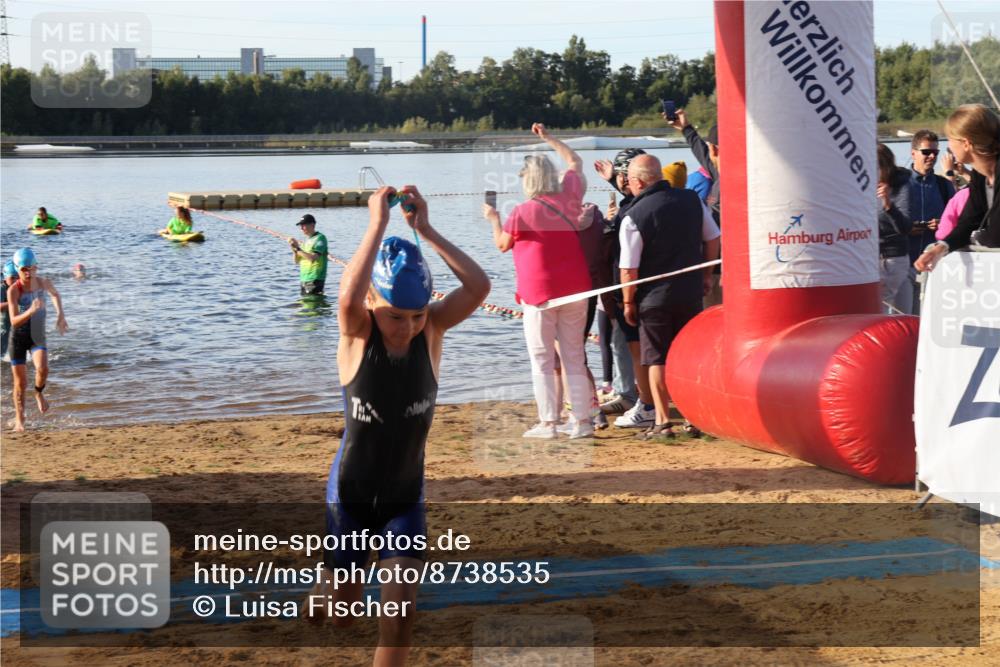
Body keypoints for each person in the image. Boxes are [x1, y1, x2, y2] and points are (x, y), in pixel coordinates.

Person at [304, 186, 489, 667]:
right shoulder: (357, 332)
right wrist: (376, 225)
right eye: (394, 316)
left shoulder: (432, 330)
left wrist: (424, 229)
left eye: (416, 314)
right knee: (340, 614)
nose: (406, 327)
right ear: (372, 303)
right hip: (351, 496)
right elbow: (347, 294)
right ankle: (326, 583)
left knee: (400, 614)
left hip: (405, 498)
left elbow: (479, 287)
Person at [483, 122, 594, 440]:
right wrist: (549, 139)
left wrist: (493, 219)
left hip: (539, 294)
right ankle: (582, 423)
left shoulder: (522, 211)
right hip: (576, 288)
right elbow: (575, 162)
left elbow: (502, 244)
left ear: (529, 181)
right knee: (574, 354)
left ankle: (549, 423)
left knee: (543, 357)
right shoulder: (571, 194)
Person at [619, 155, 719, 438]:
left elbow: (628, 267)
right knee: (687, 355)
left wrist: (628, 302)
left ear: (637, 182)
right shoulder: (691, 200)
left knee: (657, 359)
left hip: (654, 299)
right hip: (689, 292)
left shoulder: (634, 215)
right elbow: (713, 237)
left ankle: (663, 421)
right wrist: (706, 274)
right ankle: (693, 418)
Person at [593, 148, 655, 425]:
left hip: (632, 287)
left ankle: (635, 396)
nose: (623, 182)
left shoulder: (633, 209)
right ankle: (633, 393)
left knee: (628, 343)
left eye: (623, 177)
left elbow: (627, 258)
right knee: (628, 343)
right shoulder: (646, 201)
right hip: (641, 286)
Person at [916, 104, 1000, 270]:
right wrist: (942, 247)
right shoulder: (980, 174)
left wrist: (977, 238)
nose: (949, 146)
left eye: (950, 139)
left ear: (966, 143)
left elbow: (996, 234)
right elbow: (969, 221)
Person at [6, 248, 68, 432]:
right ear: (17, 269)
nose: (28, 272)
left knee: (43, 368)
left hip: (37, 334)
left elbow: (55, 294)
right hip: (17, 338)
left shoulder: (43, 283)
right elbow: (14, 321)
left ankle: (39, 393)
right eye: (24, 268)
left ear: (36, 267)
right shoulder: (13, 291)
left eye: (31, 268)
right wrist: (31, 311)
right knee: (20, 384)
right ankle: (20, 420)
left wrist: (60, 315)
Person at [902, 130, 955, 314]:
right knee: (905, 322)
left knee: (930, 323)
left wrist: (943, 224)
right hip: (903, 265)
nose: (931, 156)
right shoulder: (899, 182)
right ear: (913, 153)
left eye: (935, 152)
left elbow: (958, 222)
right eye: (926, 152)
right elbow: (882, 221)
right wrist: (906, 227)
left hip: (934, 267)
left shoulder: (944, 185)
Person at [876, 143, 913, 313]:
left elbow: (905, 227)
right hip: (871, 257)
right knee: (898, 310)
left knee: (880, 309)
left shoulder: (900, 185)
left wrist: (888, 205)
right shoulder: (862, 185)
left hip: (892, 257)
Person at [289, 213, 329, 295]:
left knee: (311, 305)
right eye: (300, 226)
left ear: (312, 225)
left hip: (315, 279)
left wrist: (297, 248)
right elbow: (296, 261)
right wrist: (293, 248)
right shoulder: (305, 241)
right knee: (305, 305)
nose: (301, 228)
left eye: (303, 225)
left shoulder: (320, 238)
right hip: (304, 279)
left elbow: (313, 258)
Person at [1, 261, 16, 363]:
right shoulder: (2, 288)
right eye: (13, 278)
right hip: (3, 327)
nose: (16, 280)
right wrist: (13, 302)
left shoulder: (17, 288)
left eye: (17, 277)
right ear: (5, 278)